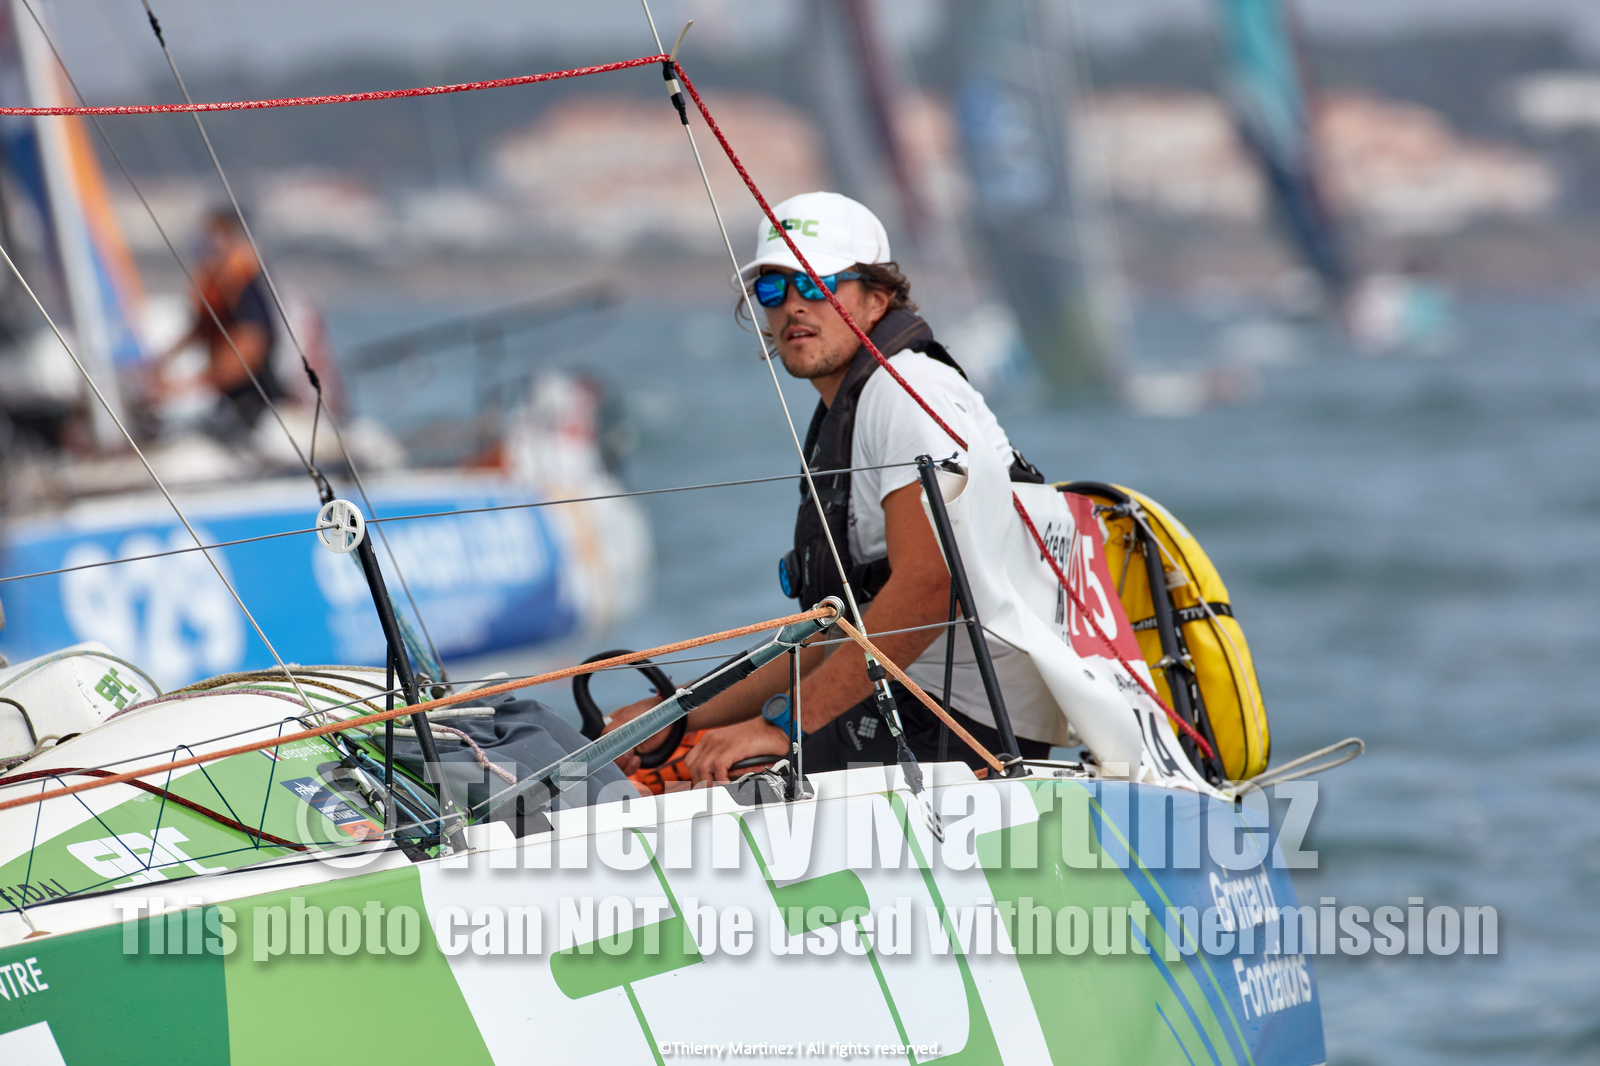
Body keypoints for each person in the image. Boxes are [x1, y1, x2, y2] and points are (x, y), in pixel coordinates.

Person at [608, 191, 1057, 784]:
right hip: (916, 693)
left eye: (818, 284)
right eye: (774, 289)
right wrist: (675, 714)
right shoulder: (858, 402)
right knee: (660, 749)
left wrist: (782, 728)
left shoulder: (900, 394)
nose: (794, 306)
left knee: (670, 781)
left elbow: (927, 588)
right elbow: (835, 639)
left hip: (965, 725)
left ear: (877, 299)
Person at [152, 209, 283, 440]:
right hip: (226, 402)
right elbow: (201, 329)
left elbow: (247, 352)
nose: (205, 251)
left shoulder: (246, 285)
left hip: (256, 407)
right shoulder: (215, 285)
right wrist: (159, 363)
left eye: (211, 243)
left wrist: (184, 386)